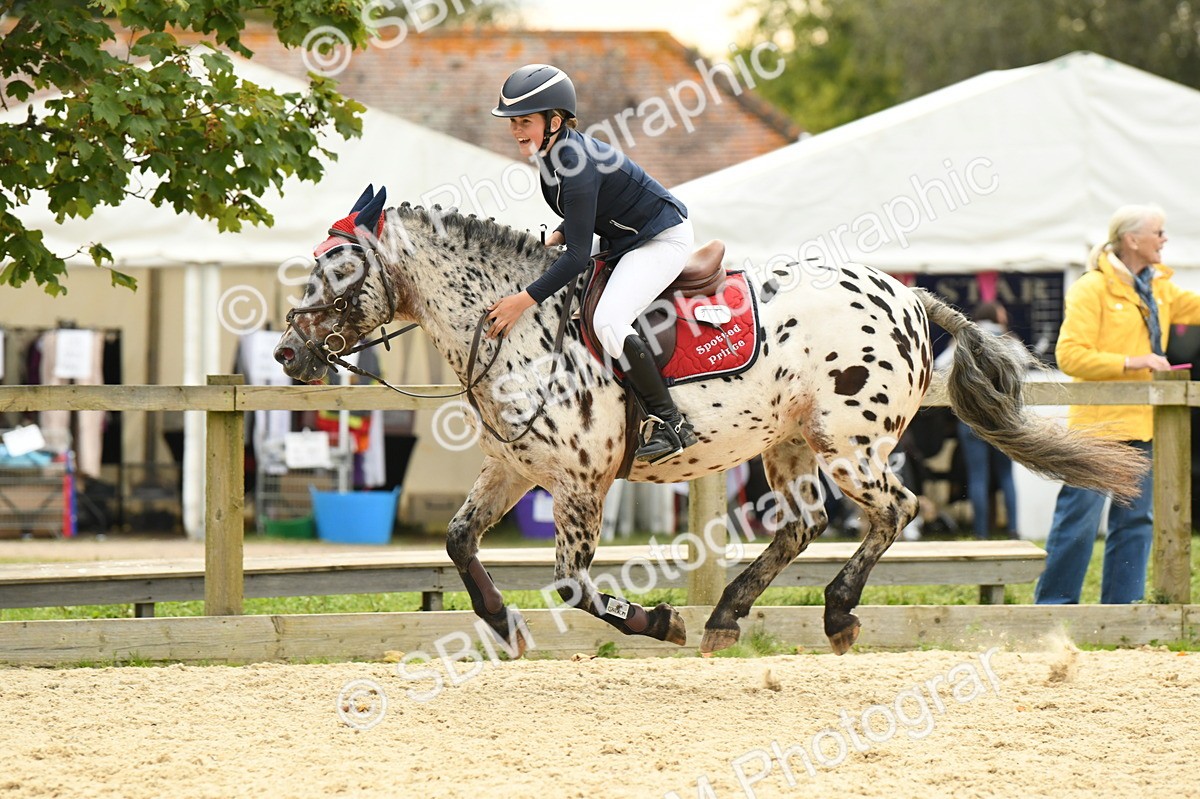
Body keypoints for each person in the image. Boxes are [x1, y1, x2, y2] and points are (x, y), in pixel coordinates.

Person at [484, 64, 698, 464]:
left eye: (525, 121)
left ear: (556, 120)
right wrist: (558, 235)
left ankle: (670, 422)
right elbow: (585, 214)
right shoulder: (554, 153)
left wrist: (521, 302)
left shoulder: (574, 162)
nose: (516, 130)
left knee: (609, 320)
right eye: (513, 122)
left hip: (661, 238)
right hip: (626, 238)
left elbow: (579, 258)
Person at [1035, 204, 1200, 604]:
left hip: (1142, 426)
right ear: (1132, 240)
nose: (1164, 240)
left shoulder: (1159, 288)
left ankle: (1122, 612)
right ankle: (1054, 609)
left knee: (1136, 523)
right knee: (1078, 522)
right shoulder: (1091, 288)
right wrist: (1134, 361)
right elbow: (1070, 356)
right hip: (1096, 430)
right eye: (1158, 233)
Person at [936, 302, 1021, 540]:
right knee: (1006, 475)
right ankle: (1013, 529)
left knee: (978, 477)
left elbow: (940, 367)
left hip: (972, 418)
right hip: (1004, 419)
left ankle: (981, 532)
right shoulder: (1009, 340)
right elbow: (1023, 367)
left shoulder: (964, 339)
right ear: (996, 315)